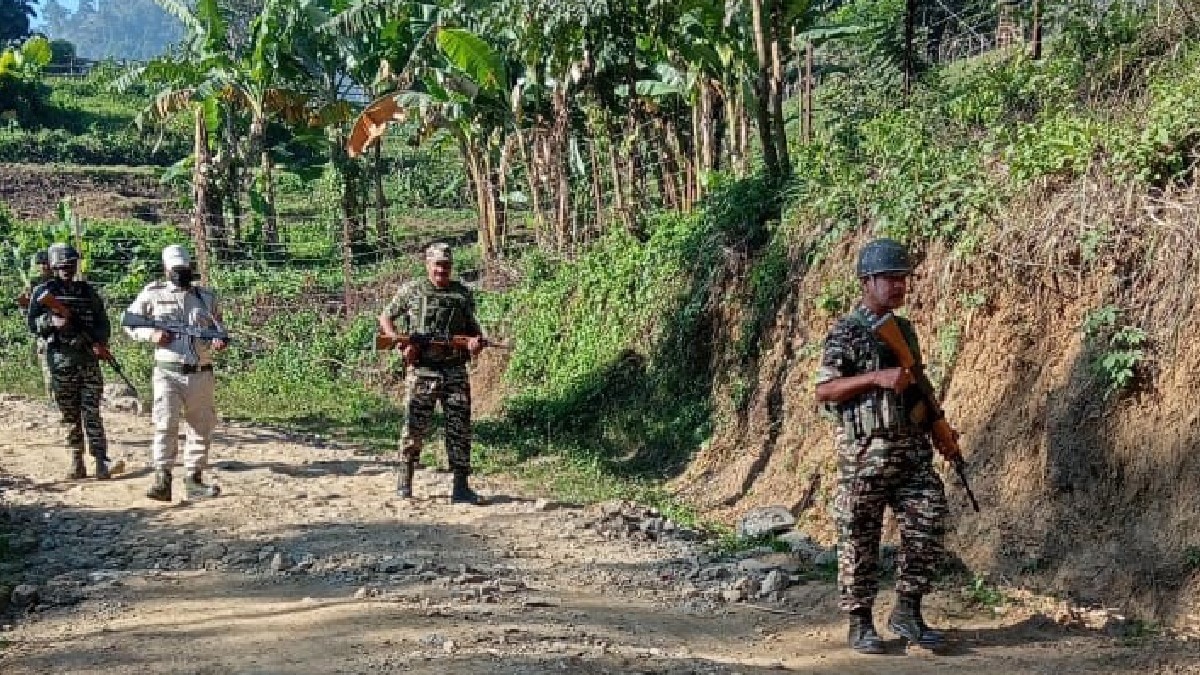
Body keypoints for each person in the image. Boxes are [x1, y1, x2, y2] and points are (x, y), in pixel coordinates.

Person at [814, 238, 954, 654]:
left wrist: (940, 428)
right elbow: (824, 390)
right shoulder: (846, 332)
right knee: (859, 538)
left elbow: (918, 388)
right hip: (864, 460)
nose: (898, 286)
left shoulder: (904, 331)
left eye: (902, 278)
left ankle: (908, 611)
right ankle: (860, 624)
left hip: (910, 455)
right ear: (867, 281)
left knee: (928, 518)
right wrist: (875, 378)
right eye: (889, 278)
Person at [379, 242, 486, 504]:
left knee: (459, 429)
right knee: (414, 428)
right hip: (423, 370)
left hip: (454, 371)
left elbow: (474, 331)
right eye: (438, 265)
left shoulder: (461, 295)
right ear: (428, 265)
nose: (442, 270)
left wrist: (475, 343)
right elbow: (386, 317)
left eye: (446, 265)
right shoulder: (413, 291)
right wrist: (397, 341)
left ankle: (461, 487)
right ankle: (405, 482)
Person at [123, 244, 227, 502]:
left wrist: (219, 340)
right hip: (168, 372)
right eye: (176, 269)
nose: (181, 273)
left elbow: (219, 326)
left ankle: (194, 479)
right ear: (166, 269)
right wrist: (151, 334)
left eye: (184, 269)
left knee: (201, 426)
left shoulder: (206, 297)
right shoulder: (153, 294)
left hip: (200, 372)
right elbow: (129, 321)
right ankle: (162, 479)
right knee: (165, 424)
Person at [26, 243, 113, 480]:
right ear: (54, 267)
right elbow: (32, 324)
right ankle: (76, 460)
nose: (67, 269)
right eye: (62, 266)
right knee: (69, 415)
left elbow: (102, 322)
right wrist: (51, 322)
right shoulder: (44, 292)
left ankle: (100, 460)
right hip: (61, 360)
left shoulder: (87, 291)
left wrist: (99, 343)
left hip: (88, 360)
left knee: (92, 412)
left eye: (71, 265)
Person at [17, 249, 54, 398]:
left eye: (47, 263)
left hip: (64, 331)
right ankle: (52, 400)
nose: (45, 267)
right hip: (44, 332)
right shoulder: (33, 285)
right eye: (42, 264)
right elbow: (28, 314)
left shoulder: (61, 282)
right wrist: (24, 305)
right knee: (49, 370)